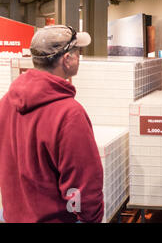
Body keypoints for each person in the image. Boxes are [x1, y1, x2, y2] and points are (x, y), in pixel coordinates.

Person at [0, 25, 104, 223]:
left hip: (12, 216)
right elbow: (84, 183)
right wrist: (91, 217)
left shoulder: (6, 102)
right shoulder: (69, 114)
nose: (79, 57)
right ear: (67, 60)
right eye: (77, 52)